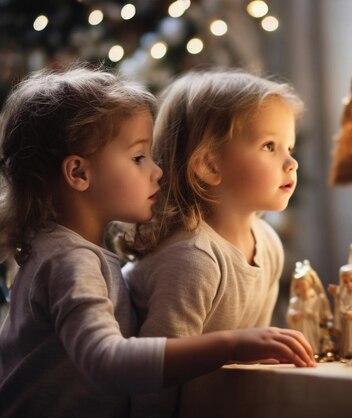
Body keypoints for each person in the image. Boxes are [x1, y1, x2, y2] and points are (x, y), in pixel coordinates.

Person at [0, 66, 314, 418]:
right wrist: (232, 344)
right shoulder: (68, 261)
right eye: (138, 158)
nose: (158, 170)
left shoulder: (80, 254)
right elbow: (108, 361)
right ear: (79, 173)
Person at [117, 69, 304, 416]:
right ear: (209, 164)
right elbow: (156, 376)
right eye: (269, 146)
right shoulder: (193, 260)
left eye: (289, 147)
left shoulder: (268, 243)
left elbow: (248, 360)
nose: (291, 163)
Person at [286, 260, 333, 354]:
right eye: (299, 285)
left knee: (311, 341)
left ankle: (314, 350)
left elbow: (319, 315)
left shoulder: (316, 299)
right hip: (300, 326)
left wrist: (305, 313)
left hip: (312, 327)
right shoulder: (295, 300)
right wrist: (293, 315)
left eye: (304, 285)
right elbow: (290, 313)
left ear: (309, 284)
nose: (302, 288)